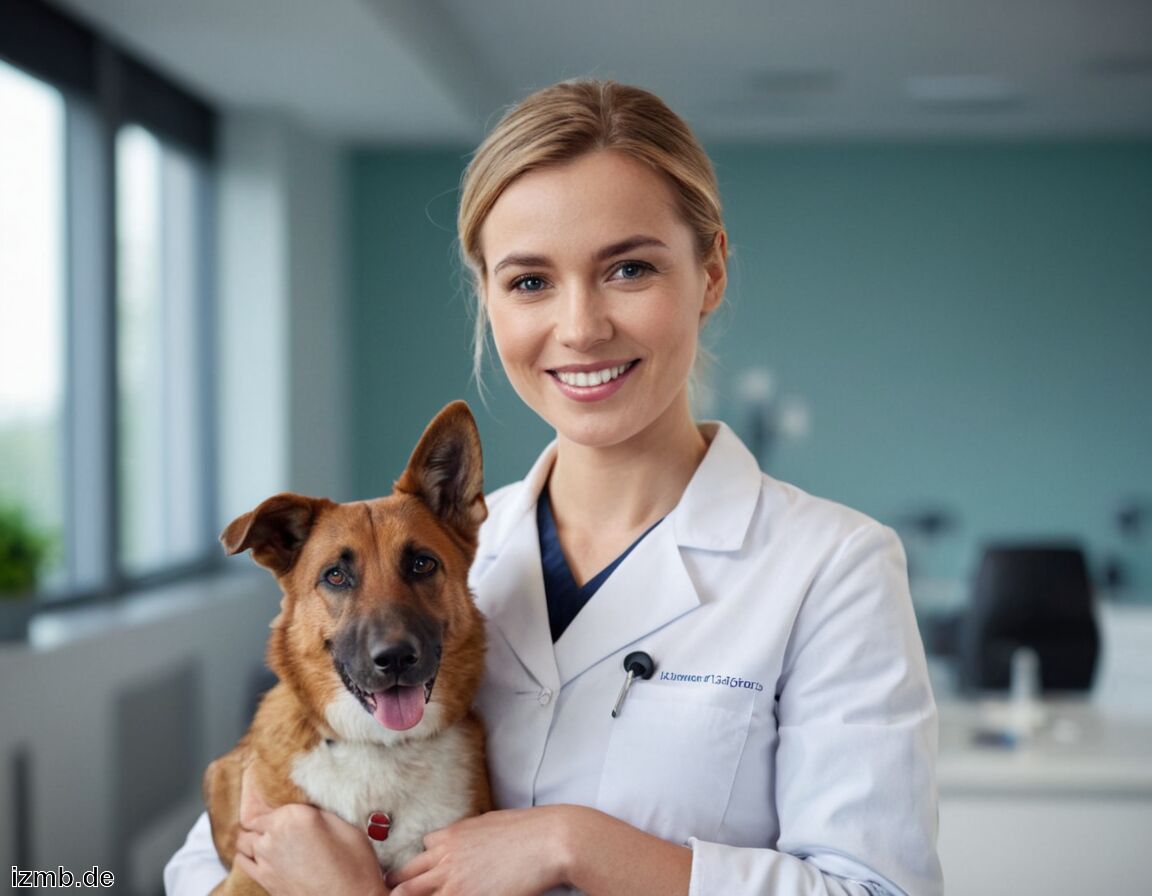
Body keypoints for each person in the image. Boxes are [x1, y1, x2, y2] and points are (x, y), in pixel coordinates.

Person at [166, 79, 943, 896]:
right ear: (489, 300)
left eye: (629, 268)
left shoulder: (834, 568)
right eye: (530, 281)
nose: (580, 328)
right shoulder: (447, 553)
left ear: (710, 273)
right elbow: (200, 866)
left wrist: (577, 844)